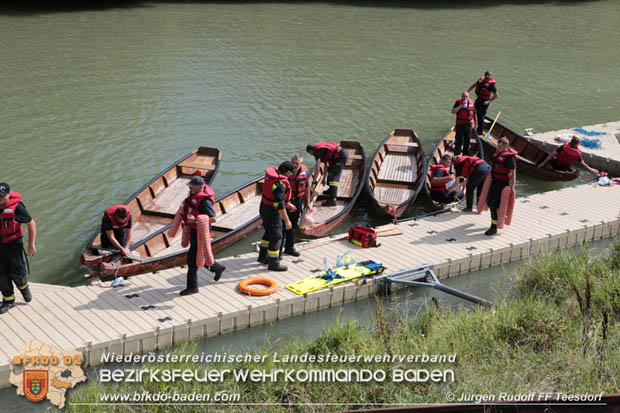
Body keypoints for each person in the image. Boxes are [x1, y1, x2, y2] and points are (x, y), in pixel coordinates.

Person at [180, 175, 225, 295]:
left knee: (192, 260)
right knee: (196, 257)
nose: (189, 189)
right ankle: (216, 267)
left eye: (192, 187)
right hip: (193, 230)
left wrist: (195, 220)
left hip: (201, 232)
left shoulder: (204, 202)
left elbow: (213, 219)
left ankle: (192, 287)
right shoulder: (192, 196)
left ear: (200, 187)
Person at [0, 183, 36, 314]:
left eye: (2, 197)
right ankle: (8, 300)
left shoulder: (17, 207)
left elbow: (31, 224)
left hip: (13, 245)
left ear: (9, 195)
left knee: (17, 272)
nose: (0, 199)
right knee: (1, 276)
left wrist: (31, 245)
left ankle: (24, 288)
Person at [258, 161, 294, 271]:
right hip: (272, 212)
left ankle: (262, 257)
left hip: (264, 207)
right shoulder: (280, 184)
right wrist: (287, 221)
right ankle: (273, 263)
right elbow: (279, 204)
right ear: (287, 172)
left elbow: (274, 197)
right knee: (277, 236)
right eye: (290, 173)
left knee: (269, 232)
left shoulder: (271, 177)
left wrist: (287, 204)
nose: (290, 175)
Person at [486, 137, 516, 236]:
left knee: (495, 205)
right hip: (495, 181)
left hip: (503, 184)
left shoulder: (510, 158)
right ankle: (495, 221)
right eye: (497, 146)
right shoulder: (498, 153)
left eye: (500, 147)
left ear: (506, 146)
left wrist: (512, 187)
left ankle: (493, 227)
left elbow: (513, 173)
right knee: (490, 202)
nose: (498, 149)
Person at [282, 154, 309, 257]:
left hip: (297, 201)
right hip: (286, 202)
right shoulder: (286, 172)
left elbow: (307, 188)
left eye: (296, 163)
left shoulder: (304, 173)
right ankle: (278, 249)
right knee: (283, 225)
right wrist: (286, 203)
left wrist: (308, 203)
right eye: (292, 162)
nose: (294, 165)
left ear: (301, 163)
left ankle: (290, 247)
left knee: (293, 225)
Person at [306, 142, 349, 207]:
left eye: (310, 153)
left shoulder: (318, 153)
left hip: (341, 157)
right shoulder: (321, 150)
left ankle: (332, 201)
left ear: (311, 150)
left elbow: (317, 170)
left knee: (333, 179)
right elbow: (325, 166)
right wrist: (323, 178)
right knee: (331, 170)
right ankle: (330, 190)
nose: (311, 155)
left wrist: (314, 181)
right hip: (339, 156)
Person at [468, 71, 499, 136]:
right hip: (478, 99)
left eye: (489, 77)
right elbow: (474, 85)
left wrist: (489, 101)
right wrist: (468, 91)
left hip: (485, 101)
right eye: (486, 77)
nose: (487, 78)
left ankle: (480, 132)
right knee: (473, 112)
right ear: (484, 76)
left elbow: (496, 95)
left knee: (481, 116)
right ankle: (471, 126)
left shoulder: (491, 85)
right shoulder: (481, 80)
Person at [451, 91, 477, 156]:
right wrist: (461, 105)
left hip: (468, 125)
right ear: (461, 97)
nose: (465, 98)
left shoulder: (471, 103)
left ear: (468, 97)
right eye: (463, 96)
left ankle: (465, 156)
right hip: (460, 124)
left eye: (466, 96)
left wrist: (476, 124)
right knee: (458, 141)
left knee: (467, 141)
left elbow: (474, 114)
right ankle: (456, 155)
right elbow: (453, 111)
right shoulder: (458, 102)